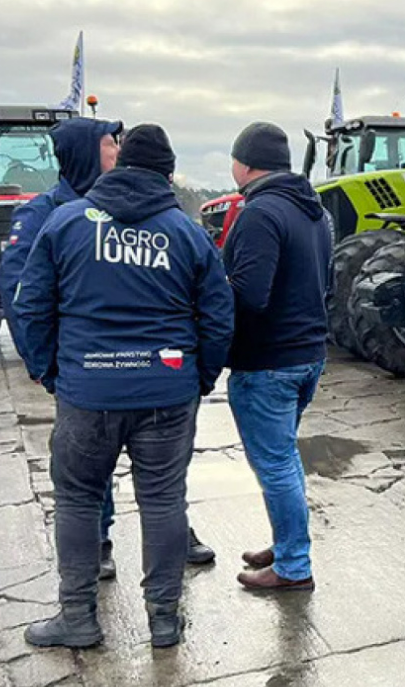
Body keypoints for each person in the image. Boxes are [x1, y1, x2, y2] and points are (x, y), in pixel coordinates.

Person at [16, 125, 234, 648]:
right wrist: (199, 377)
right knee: (162, 499)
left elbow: (29, 307)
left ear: (120, 166)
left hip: (87, 390)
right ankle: (163, 619)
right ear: (167, 172)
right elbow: (219, 316)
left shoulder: (66, 223)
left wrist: (51, 372)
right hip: (166, 388)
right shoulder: (185, 232)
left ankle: (78, 616)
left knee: (77, 499)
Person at [224, 122, 332, 592]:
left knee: (276, 463)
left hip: (267, 362)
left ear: (244, 163)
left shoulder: (259, 213)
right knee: (284, 458)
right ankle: (287, 541)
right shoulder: (314, 212)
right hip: (308, 354)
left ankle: (292, 565)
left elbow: (249, 295)